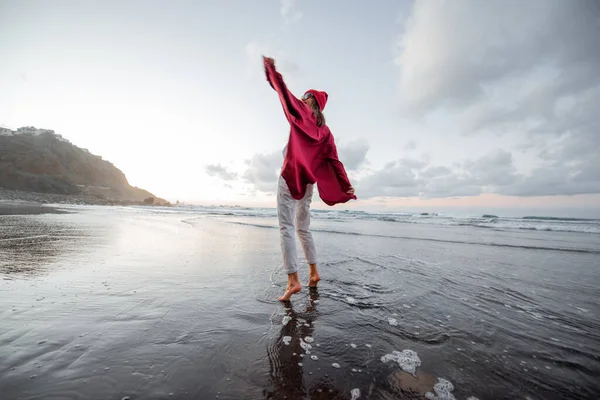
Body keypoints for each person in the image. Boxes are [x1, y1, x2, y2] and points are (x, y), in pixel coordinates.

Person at [263, 56, 357, 301]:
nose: (302, 98)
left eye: (306, 96)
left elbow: (283, 93)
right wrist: (346, 187)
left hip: (290, 176)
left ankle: (293, 280)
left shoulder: (302, 112)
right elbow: (335, 161)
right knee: (303, 228)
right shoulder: (326, 132)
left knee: (286, 227)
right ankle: (314, 273)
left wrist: (272, 70)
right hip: (308, 184)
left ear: (312, 101)